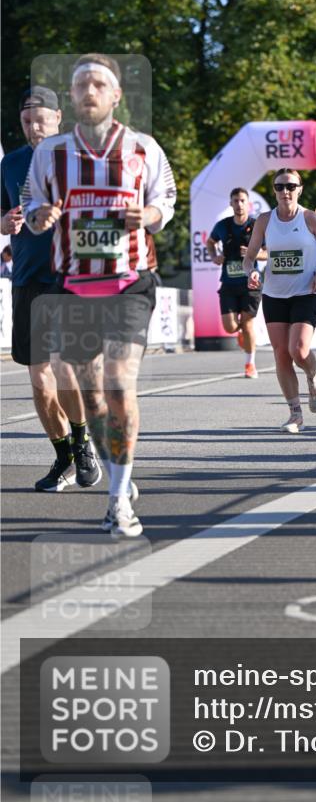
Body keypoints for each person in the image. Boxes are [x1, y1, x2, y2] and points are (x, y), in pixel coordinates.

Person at [24, 55, 176, 536]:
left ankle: (117, 502)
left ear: (115, 96)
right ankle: (118, 473)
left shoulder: (143, 148)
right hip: (73, 286)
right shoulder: (50, 153)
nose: (89, 90)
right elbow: (30, 207)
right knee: (91, 396)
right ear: (71, 98)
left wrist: (148, 215)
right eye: (80, 84)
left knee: (118, 383)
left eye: (98, 84)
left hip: (129, 282)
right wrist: (39, 217)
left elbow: (167, 200)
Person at [1, 85, 102, 493]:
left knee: (65, 369)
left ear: (59, 118)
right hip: (26, 279)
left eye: (39, 120)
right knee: (40, 382)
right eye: (26, 121)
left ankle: (83, 445)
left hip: (69, 278)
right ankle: (65, 454)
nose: (32, 127)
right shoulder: (10, 165)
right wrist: (3, 226)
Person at [243, 168, 316, 433]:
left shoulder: (309, 218)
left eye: (290, 186)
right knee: (281, 355)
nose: (285, 191)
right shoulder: (264, 220)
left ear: (299, 189)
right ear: (274, 190)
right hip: (274, 294)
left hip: (305, 291)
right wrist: (251, 271)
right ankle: (295, 414)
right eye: (279, 187)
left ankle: (313, 375)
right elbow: (249, 255)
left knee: (298, 350)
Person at [206, 187, 265, 378]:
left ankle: (250, 365)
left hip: (251, 283)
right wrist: (215, 256)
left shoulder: (257, 225)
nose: (239, 204)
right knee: (230, 327)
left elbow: (268, 252)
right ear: (230, 204)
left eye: (242, 200)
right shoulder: (222, 226)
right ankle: (243, 336)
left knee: (248, 324)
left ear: (248, 203)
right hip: (229, 284)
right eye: (235, 201)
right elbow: (210, 242)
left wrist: (252, 253)